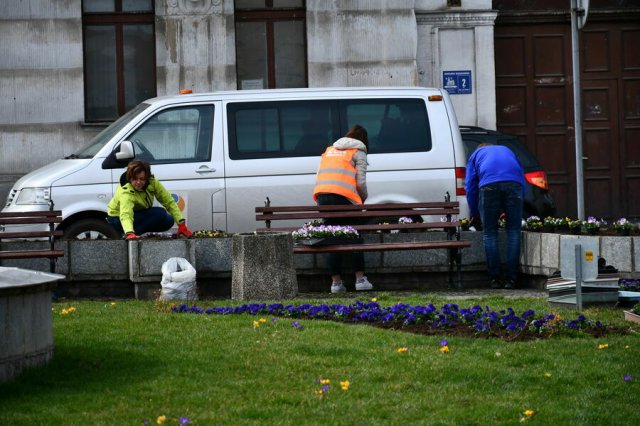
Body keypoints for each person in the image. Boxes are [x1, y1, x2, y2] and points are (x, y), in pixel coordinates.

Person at [313, 124, 374, 293]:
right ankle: (360, 280)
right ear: (363, 140)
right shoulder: (358, 151)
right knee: (353, 235)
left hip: (323, 196)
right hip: (343, 196)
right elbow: (360, 182)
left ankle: (336, 283)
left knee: (332, 237)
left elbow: (319, 174)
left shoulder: (329, 150)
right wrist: (361, 199)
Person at [465, 143, 525, 289]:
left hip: (489, 185)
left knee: (490, 233)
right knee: (514, 232)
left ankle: (495, 279)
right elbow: (521, 177)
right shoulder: (508, 149)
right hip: (514, 184)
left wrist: (474, 212)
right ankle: (511, 279)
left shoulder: (475, 155)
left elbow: (471, 186)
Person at [107, 160, 193, 239]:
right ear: (130, 177)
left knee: (169, 220)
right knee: (160, 213)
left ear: (147, 177)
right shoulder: (126, 191)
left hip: (135, 213)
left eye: (142, 179)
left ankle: (135, 233)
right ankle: (130, 234)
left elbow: (168, 201)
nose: (138, 182)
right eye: (135, 179)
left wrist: (181, 224)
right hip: (117, 218)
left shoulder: (153, 182)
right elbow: (126, 213)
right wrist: (129, 232)